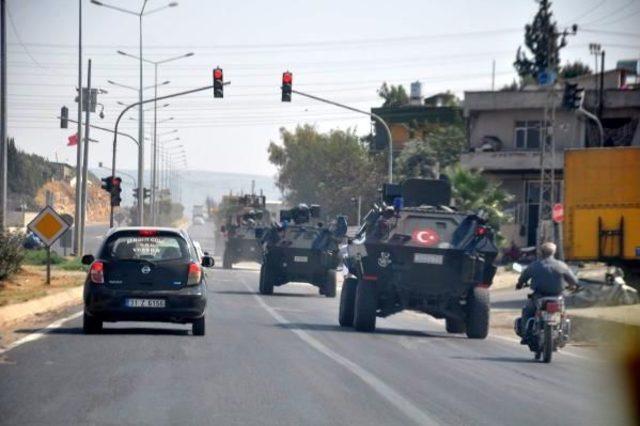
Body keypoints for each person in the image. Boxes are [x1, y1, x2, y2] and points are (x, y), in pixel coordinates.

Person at [515, 242, 578, 342]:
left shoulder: (535, 265)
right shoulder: (561, 265)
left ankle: (525, 335)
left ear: (541, 252)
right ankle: (564, 335)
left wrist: (519, 284)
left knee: (527, 311)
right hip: (557, 297)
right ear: (554, 252)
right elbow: (574, 281)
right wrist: (573, 287)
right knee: (563, 314)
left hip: (539, 296)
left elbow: (523, 278)